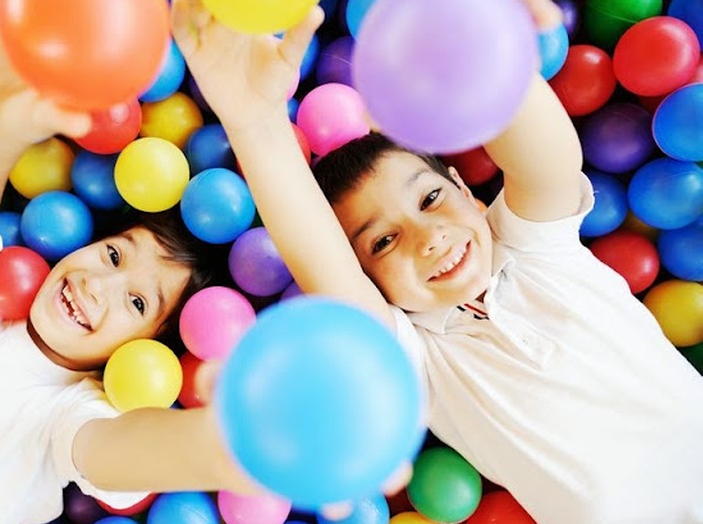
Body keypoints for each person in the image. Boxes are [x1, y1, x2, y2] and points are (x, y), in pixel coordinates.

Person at [171, 0, 703, 522]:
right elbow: (316, 255)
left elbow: (548, 160)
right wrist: (254, 122)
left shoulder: (539, 248)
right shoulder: (417, 361)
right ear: (369, 281)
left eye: (429, 200)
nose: (427, 238)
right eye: (382, 242)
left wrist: (476, 25)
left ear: (466, 191)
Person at [0, 2, 255, 522]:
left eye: (139, 301)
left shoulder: (72, 412)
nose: (100, 284)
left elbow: (125, 451)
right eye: (114, 254)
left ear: (148, 351)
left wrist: (238, 451)